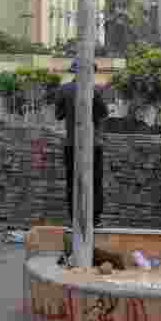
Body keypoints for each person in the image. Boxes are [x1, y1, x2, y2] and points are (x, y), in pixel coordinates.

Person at [54, 59, 107, 226]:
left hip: (72, 144)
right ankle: (95, 219)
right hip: (93, 144)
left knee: (72, 181)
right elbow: (103, 114)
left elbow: (59, 115)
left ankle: (74, 218)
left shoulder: (64, 90)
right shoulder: (94, 90)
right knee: (95, 181)